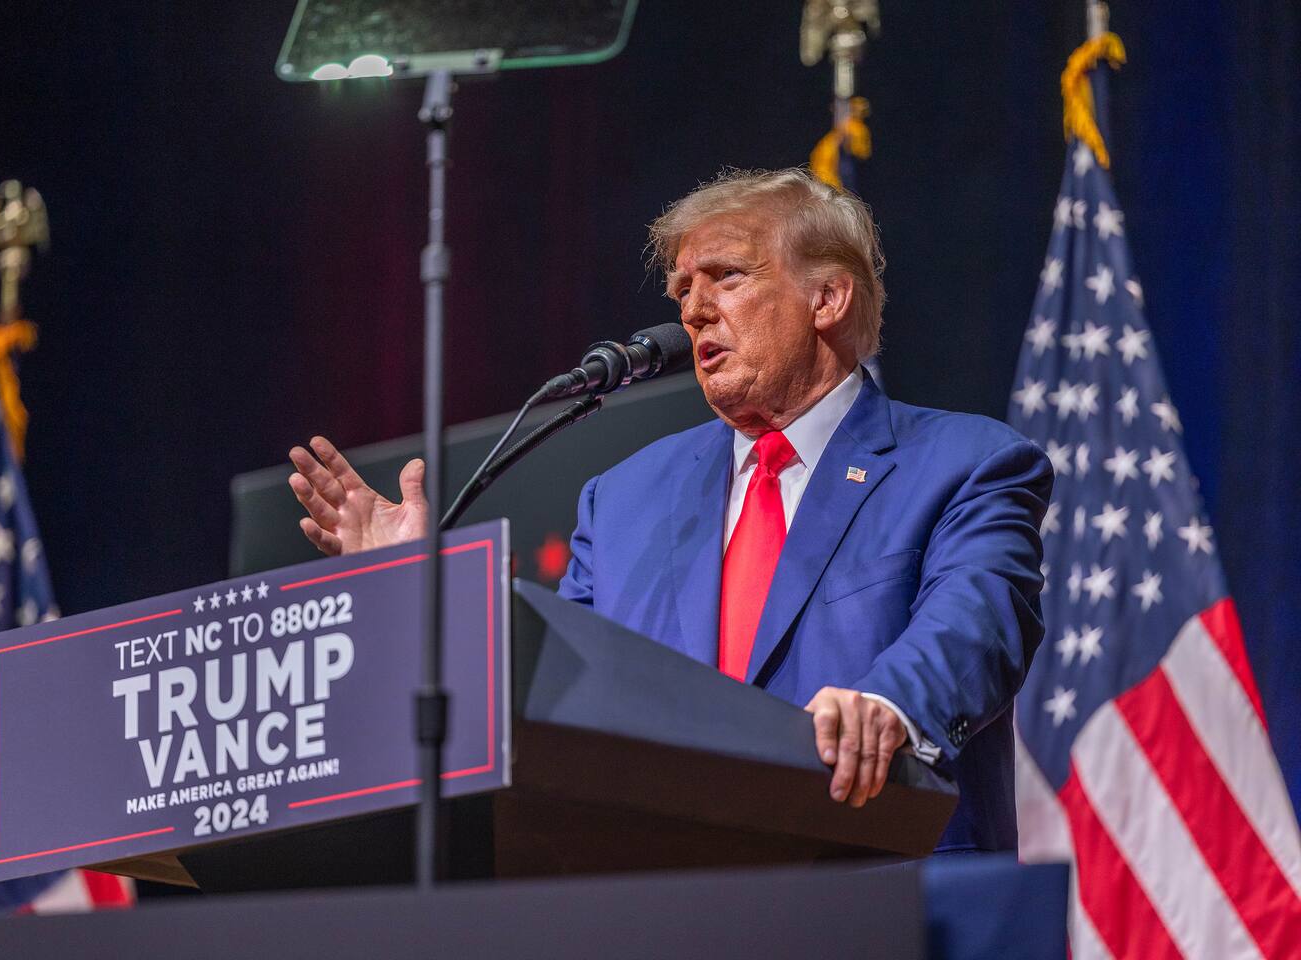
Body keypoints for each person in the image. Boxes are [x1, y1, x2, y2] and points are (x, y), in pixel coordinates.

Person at [287, 168, 1052, 853]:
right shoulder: (623, 499)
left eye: (726, 276)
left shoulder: (964, 463)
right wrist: (431, 594)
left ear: (827, 297)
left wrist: (891, 707)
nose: (695, 312)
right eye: (683, 292)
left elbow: (979, 622)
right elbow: (553, 693)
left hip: (886, 889)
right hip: (666, 903)